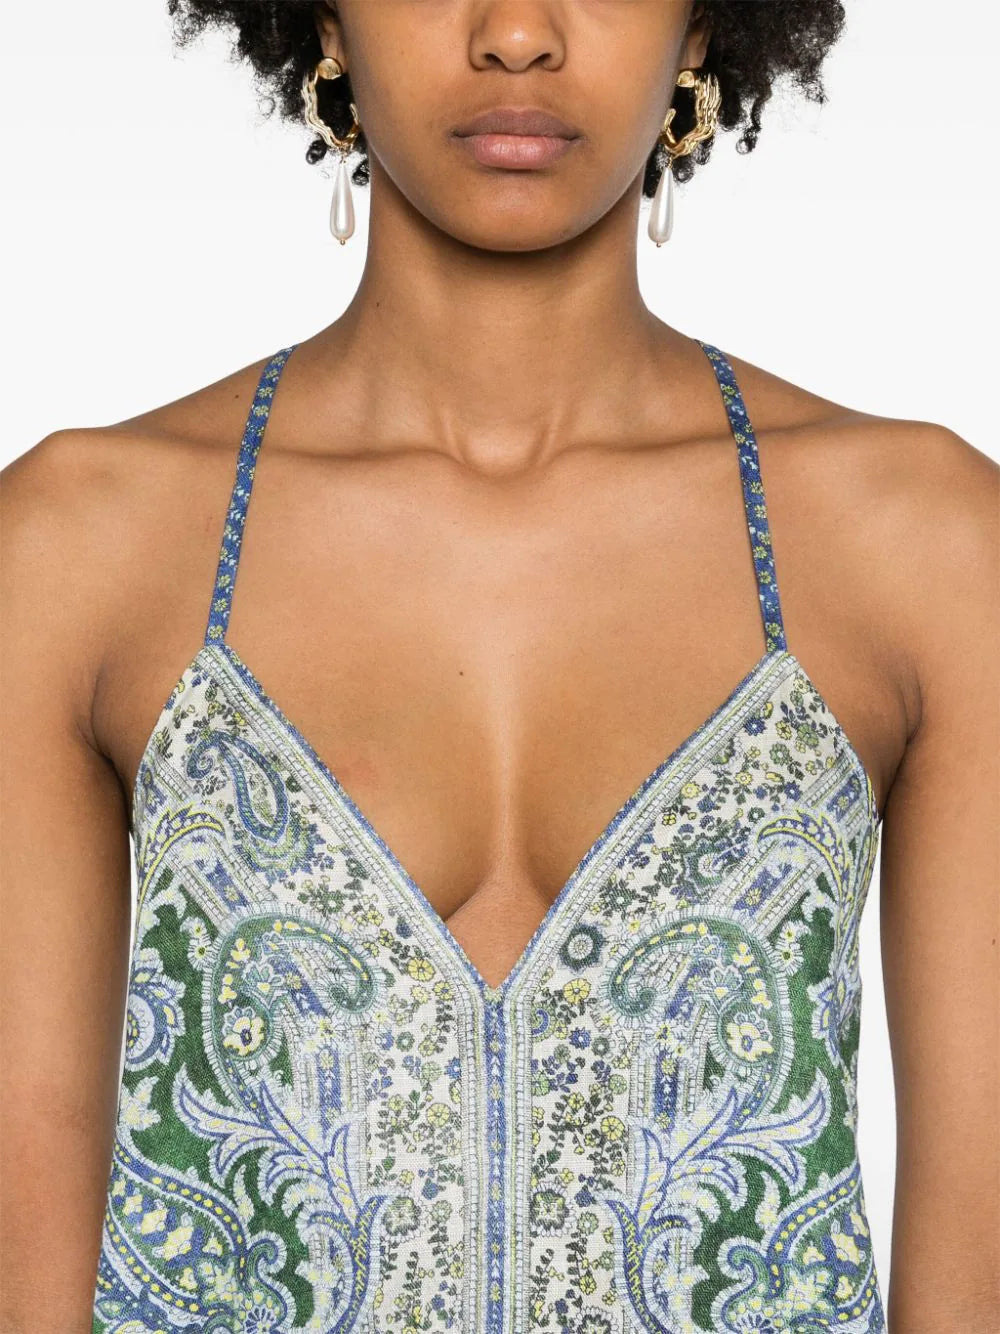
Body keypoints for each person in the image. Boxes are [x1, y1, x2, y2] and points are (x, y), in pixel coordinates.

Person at [1, 2, 997, 1331]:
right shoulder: (77, 550)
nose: (518, 33)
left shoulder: (926, 550)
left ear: (702, 32)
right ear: (326, 24)